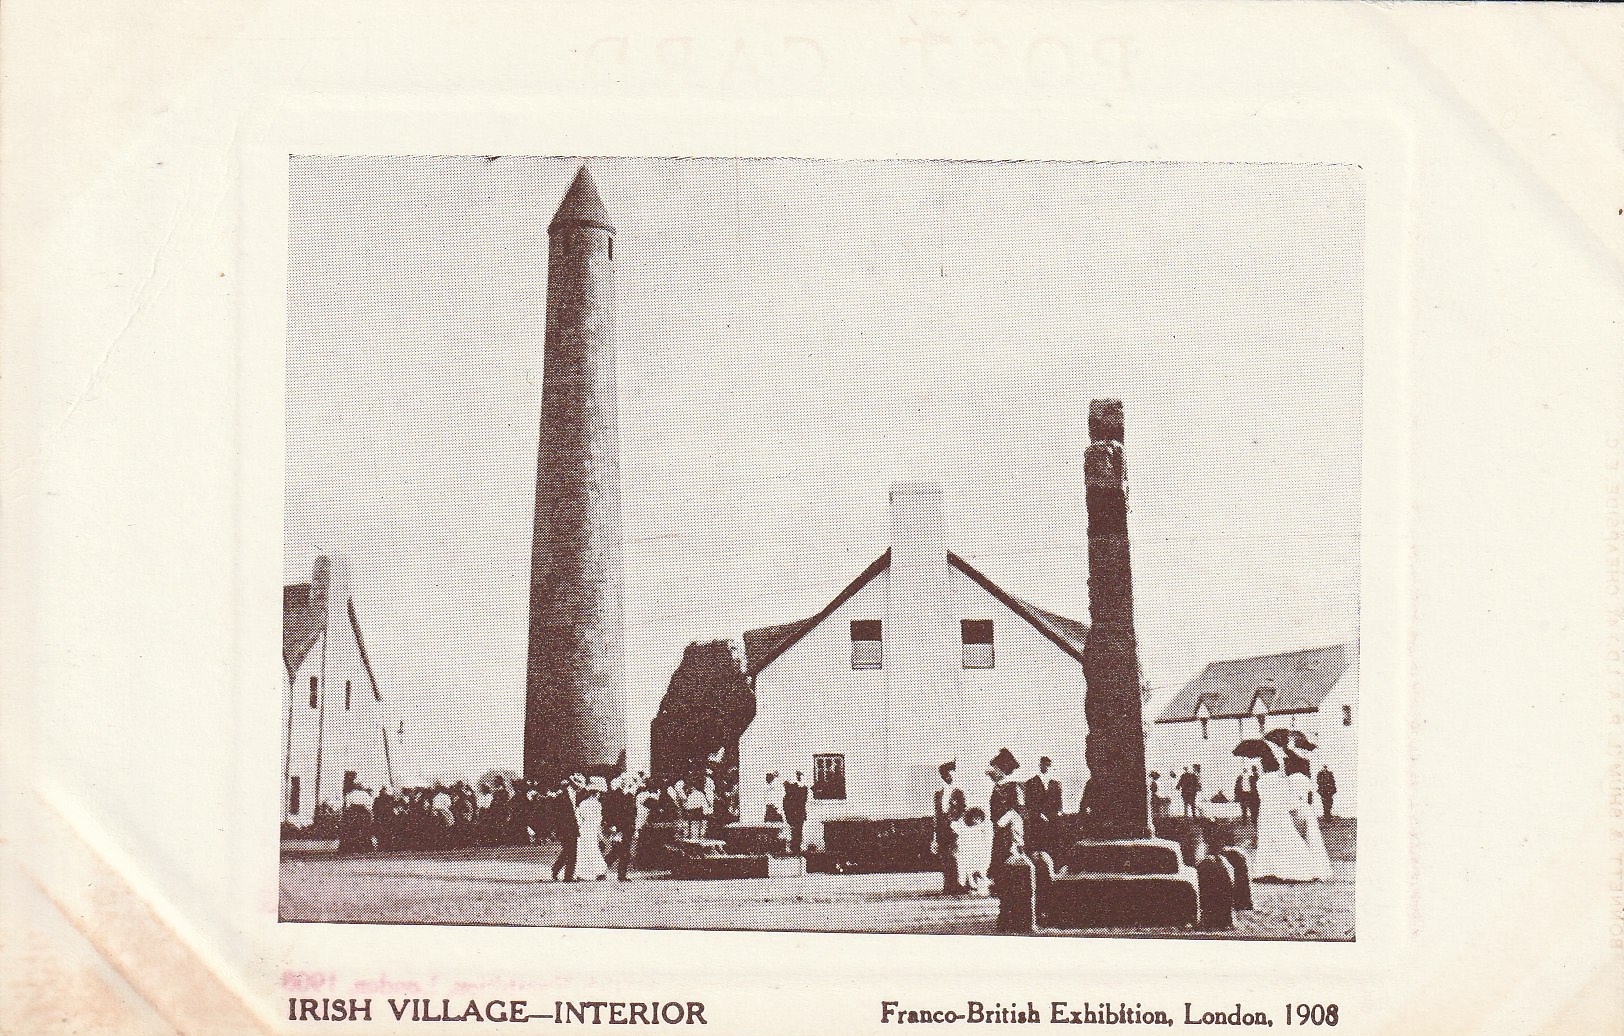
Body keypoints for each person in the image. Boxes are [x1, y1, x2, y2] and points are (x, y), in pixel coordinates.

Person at [1252, 738, 1332, 882]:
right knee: (1286, 840)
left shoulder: (1261, 781)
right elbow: (1287, 798)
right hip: (1279, 811)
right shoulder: (1280, 780)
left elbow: (1261, 797)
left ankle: (1268, 870)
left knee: (1267, 841)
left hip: (1265, 812)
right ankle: (1297, 870)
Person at [933, 761, 967, 894]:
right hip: (942, 830)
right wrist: (935, 835)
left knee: (955, 856)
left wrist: (957, 823)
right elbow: (936, 814)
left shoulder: (959, 793)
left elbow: (963, 810)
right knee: (945, 857)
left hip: (955, 829)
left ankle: (959, 884)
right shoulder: (938, 794)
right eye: (945, 774)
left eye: (950, 773)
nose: (948, 776)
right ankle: (948, 885)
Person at [603, 774, 639, 881]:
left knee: (619, 851)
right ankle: (619, 874)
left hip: (628, 828)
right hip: (618, 828)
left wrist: (633, 826)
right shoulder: (616, 795)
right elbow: (610, 812)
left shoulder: (630, 795)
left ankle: (610, 871)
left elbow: (633, 813)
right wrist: (612, 825)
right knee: (621, 851)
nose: (629, 783)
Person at [1023, 756, 1062, 853]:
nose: (1046, 767)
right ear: (1040, 765)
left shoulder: (1055, 784)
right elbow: (1029, 803)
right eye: (1044, 765)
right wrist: (1039, 814)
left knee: (1055, 841)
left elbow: (1059, 803)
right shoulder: (1031, 782)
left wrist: (1058, 813)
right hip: (1036, 818)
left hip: (1052, 818)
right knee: (1038, 843)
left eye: (1048, 765)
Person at [574, 777, 610, 880]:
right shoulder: (597, 804)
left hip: (584, 828)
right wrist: (599, 832)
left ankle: (582, 873)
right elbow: (598, 819)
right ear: (597, 793)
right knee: (593, 849)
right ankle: (599, 871)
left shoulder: (583, 803)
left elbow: (578, 817)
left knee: (583, 850)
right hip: (592, 828)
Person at [953, 807, 992, 896]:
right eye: (975, 818)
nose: (977, 821)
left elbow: (985, 842)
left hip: (976, 854)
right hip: (965, 853)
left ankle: (975, 886)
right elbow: (955, 826)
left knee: (975, 871)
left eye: (978, 819)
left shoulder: (981, 829)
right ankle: (964, 886)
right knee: (964, 871)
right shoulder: (965, 827)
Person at [549, 775, 582, 882]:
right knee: (571, 852)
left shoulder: (574, 794)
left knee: (568, 851)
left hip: (572, 827)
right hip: (565, 828)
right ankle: (568, 876)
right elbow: (556, 814)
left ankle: (556, 869)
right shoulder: (562, 796)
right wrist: (556, 829)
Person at [782, 771, 809, 854]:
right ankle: (794, 846)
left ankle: (796, 846)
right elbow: (786, 804)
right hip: (794, 814)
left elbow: (803, 802)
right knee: (795, 830)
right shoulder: (794, 790)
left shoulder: (801, 789)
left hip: (798, 813)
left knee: (797, 831)